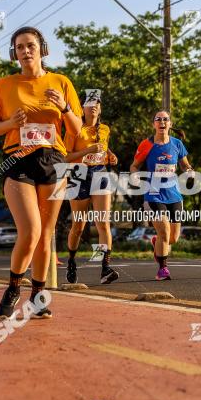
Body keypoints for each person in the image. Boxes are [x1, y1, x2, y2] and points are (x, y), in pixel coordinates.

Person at [0, 26, 82, 319]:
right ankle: (14, 286)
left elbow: (78, 130)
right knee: (30, 230)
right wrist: (11, 123)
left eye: (30, 45)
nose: (25, 51)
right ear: (14, 54)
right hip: (19, 160)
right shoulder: (4, 85)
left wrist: (64, 107)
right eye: (19, 47)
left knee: (46, 235)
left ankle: (38, 297)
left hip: (53, 160)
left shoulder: (61, 82)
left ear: (42, 48)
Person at [130, 110, 193, 280]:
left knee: (172, 238)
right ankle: (162, 269)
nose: (162, 122)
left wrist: (189, 171)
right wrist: (135, 175)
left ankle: (156, 243)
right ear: (154, 124)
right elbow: (134, 165)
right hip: (154, 194)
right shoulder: (146, 145)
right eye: (158, 119)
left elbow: (185, 165)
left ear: (170, 124)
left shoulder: (177, 144)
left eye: (166, 119)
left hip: (174, 195)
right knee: (164, 233)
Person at [64, 93, 119, 285]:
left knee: (103, 224)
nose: (93, 106)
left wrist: (110, 155)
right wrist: (87, 151)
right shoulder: (75, 128)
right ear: (82, 108)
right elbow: (65, 158)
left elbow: (102, 147)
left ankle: (105, 268)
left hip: (100, 174)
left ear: (100, 108)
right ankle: (71, 261)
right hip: (78, 175)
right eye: (88, 103)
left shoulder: (104, 129)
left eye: (96, 103)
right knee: (78, 226)